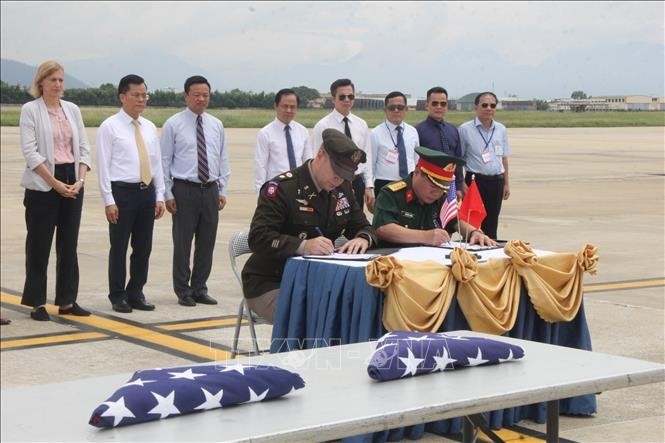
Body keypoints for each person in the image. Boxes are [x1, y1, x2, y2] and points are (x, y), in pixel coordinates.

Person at [242, 129, 378, 323]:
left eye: (345, 174)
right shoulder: (282, 189)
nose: (339, 179)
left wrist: (362, 238)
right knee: (314, 319)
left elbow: (364, 226)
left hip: (317, 281)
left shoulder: (343, 189)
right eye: (337, 171)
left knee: (355, 311)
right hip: (272, 282)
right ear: (320, 155)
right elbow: (258, 237)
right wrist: (303, 246)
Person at [19, 60, 92, 321]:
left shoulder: (72, 109)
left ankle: (67, 301)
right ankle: (37, 303)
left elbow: (83, 148)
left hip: (72, 180)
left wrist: (80, 181)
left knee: (68, 244)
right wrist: (55, 183)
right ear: (41, 83)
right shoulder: (30, 110)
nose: (58, 85)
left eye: (61, 80)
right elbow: (31, 152)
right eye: (53, 80)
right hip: (43, 184)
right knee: (39, 244)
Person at [97, 74, 165, 313]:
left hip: (146, 192)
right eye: (136, 95)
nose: (141, 99)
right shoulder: (109, 127)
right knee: (119, 246)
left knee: (143, 247)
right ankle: (117, 295)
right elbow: (104, 167)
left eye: (144, 95)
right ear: (123, 96)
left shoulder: (148, 127)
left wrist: (159, 196)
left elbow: (156, 165)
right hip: (122, 193)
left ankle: (136, 291)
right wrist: (109, 200)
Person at [161, 75, 230, 307]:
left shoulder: (216, 124)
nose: (201, 99)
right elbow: (164, 160)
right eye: (196, 94)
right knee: (182, 242)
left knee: (207, 242)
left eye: (206, 95)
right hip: (184, 189)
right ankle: (183, 290)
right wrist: (168, 193)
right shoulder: (173, 124)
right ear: (186, 96)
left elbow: (222, 158)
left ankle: (200, 287)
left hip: (210, 189)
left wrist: (222, 189)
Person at [372, 146, 497, 248]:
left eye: (443, 187)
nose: (437, 192)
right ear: (417, 173)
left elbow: (456, 220)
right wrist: (426, 237)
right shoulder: (392, 193)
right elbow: (383, 228)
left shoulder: (440, 198)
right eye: (433, 186)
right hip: (395, 264)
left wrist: (474, 233)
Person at [309, 79, 374, 212]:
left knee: (355, 221)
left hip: (356, 182)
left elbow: (367, 158)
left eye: (350, 96)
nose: (347, 100)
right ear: (333, 99)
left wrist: (369, 186)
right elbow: (315, 158)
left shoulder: (361, 124)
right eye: (342, 97)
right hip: (333, 183)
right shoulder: (323, 126)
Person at [458, 92, 511, 239]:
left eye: (492, 105)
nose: (489, 108)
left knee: (491, 224)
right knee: (472, 224)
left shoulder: (501, 129)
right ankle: (470, 256)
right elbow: (458, 159)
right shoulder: (465, 130)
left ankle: (490, 253)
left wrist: (506, 184)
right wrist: (461, 183)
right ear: (476, 108)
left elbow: (504, 158)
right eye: (484, 105)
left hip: (496, 182)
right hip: (475, 182)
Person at [255, 88, 311, 193]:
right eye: (285, 106)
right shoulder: (265, 133)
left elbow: (308, 163)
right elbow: (261, 166)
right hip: (277, 189)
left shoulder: (303, 132)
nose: (289, 110)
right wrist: (260, 193)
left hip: (299, 188)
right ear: (275, 106)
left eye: (292, 107)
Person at [415, 86, 464, 199]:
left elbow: (457, 159)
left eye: (443, 104)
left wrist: (459, 187)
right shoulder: (418, 131)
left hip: (450, 187)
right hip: (428, 187)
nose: (439, 107)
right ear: (427, 105)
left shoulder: (453, 130)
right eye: (435, 103)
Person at [370, 91, 419, 196]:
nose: (396, 110)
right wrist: (369, 188)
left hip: (409, 183)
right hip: (385, 184)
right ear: (385, 110)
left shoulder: (413, 132)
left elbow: (416, 161)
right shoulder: (375, 133)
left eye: (400, 107)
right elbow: (370, 164)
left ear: (406, 109)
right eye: (392, 108)